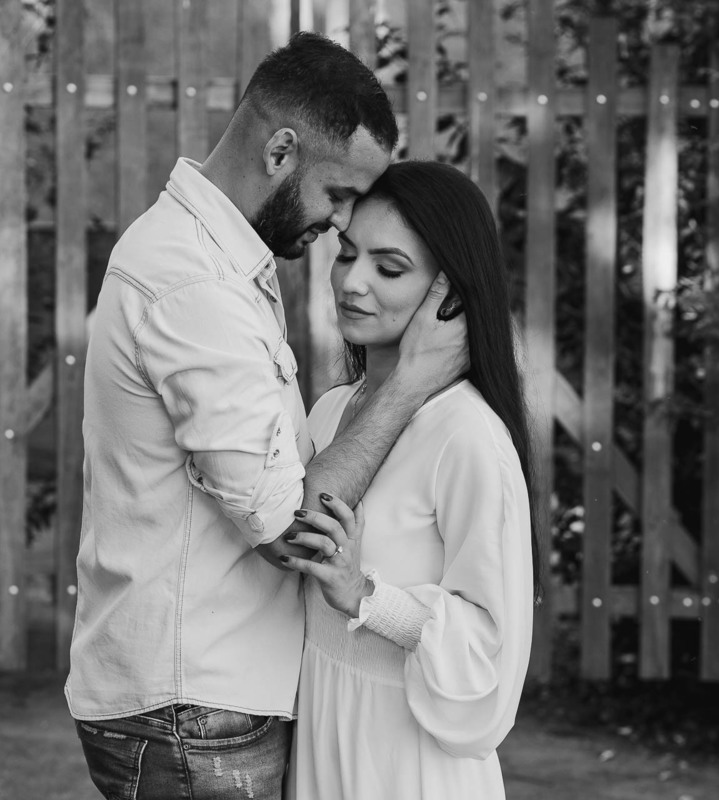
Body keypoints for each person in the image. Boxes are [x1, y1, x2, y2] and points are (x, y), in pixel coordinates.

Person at [66, 33, 468, 800]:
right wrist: (412, 381)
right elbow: (289, 529)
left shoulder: (219, 260)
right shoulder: (194, 287)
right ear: (281, 151)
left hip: (201, 700)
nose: (342, 223)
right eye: (339, 194)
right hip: (192, 712)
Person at [279, 161, 538, 800]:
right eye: (347, 255)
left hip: (407, 757)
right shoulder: (331, 412)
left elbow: (488, 650)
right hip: (320, 732)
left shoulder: (467, 436)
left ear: (449, 296)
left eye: (389, 269)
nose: (353, 282)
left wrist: (366, 595)